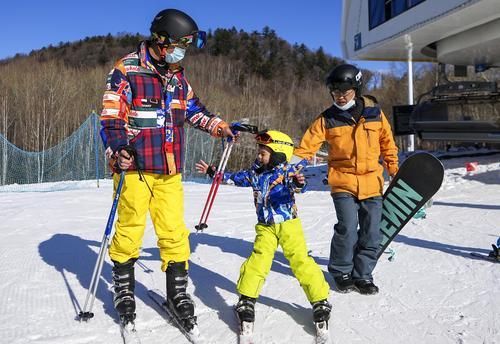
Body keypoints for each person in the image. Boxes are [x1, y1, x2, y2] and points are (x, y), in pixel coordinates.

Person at [99, 8, 235, 329]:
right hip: (135, 168)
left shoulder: (177, 77)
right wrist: (118, 149)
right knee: (130, 229)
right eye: (180, 45)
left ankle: (177, 293)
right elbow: (110, 117)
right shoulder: (126, 70)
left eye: (186, 47)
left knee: (174, 232)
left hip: (170, 168)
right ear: (162, 41)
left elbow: (194, 109)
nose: (182, 52)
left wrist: (218, 126)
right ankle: (124, 289)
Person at [195, 130, 331, 327]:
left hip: (289, 225)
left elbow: (300, 186)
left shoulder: (286, 172)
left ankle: (320, 300)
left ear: (277, 154)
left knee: (300, 261)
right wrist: (212, 172)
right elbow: (233, 178)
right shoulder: (254, 173)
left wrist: (297, 183)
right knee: (258, 260)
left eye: (263, 153)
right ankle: (247, 299)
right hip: (265, 227)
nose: (258, 156)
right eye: (259, 152)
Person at [294, 64, 399, 295]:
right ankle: (341, 270)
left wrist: (393, 169)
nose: (340, 97)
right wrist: (289, 167)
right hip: (343, 182)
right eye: (335, 92)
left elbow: (388, 144)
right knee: (348, 228)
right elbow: (306, 147)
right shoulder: (328, 119)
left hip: (372, 182)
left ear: (356, 89)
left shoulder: (375, 113)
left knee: (372, 232)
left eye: (345, 92)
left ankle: (363, 275)